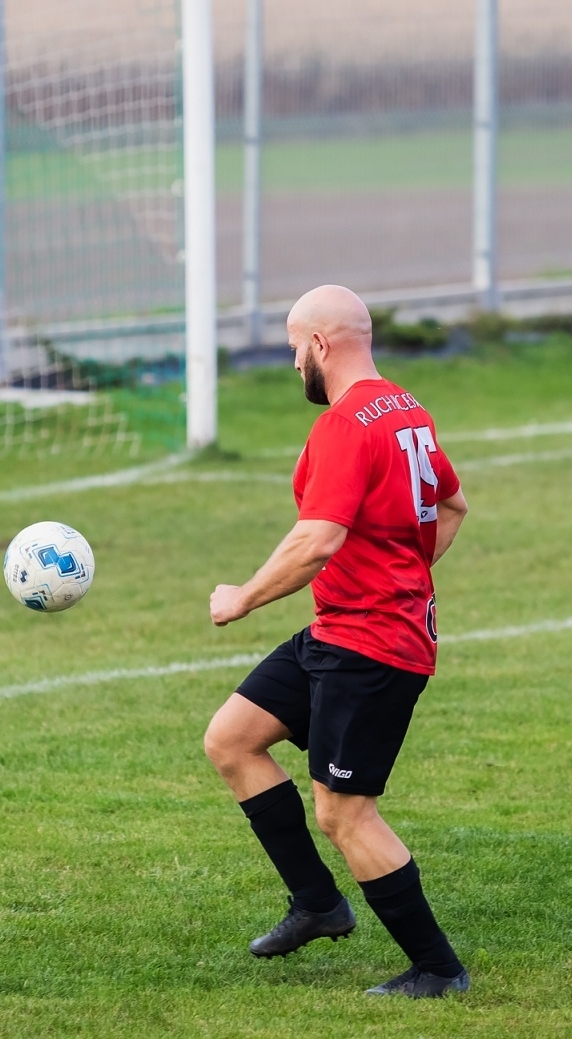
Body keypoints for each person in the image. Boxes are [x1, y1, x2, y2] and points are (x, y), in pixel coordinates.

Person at [203, 285, 472, 998]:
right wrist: (405, 574)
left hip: (374, 643)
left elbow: (316, 539)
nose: (295, 363)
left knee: (344, 811)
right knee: (232, 738)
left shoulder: (347, 423)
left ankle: (439, 969)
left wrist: (243, 597)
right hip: (340, 627)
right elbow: (452, 503)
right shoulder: (404, 405)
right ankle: (319, 905)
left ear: (320, 345)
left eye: (296, 347)